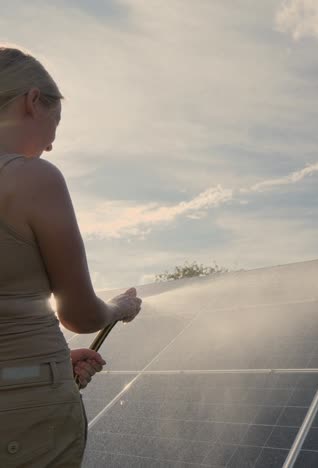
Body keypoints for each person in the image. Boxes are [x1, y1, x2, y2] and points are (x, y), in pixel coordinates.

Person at [0, 45, 143, 466]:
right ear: (31, 101)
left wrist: (56, 362)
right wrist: (120, 307)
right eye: (54, 123)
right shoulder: (30, 178)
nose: (51, 145)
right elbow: (79, 316)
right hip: (23, 422)